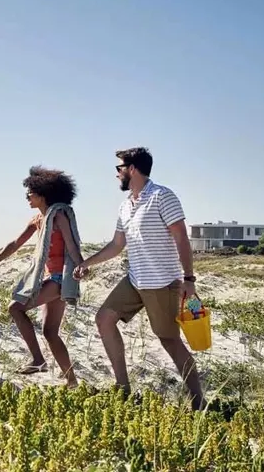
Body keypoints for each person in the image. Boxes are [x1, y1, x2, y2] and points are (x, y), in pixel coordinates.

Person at [74, 147, 206, 410]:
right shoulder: (125, 205)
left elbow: (181, 237)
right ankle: (122, 389)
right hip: (135, 280)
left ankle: (199, 402)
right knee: (104, 319)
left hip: (162, 283)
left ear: (132, 169)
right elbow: (117, 244)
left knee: (169, 341)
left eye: (119, 168)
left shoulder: (162, 196)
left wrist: (189, 279)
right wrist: (87, 263)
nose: (117, 174)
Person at [0, 166, 84, 388]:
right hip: (49, 277)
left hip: (59, 279)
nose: (27, 196)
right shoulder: (37, 220)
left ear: (43, 193)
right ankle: (72, 382)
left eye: (30, 192)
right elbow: (14, 245)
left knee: (15, 308)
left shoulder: (59, 215)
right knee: (50, 332)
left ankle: (38, 360)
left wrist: (82, 266)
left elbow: (71, 245)